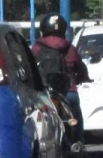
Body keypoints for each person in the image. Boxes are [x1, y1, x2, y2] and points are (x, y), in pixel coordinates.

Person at [31, 13, 91, 144]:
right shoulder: (70, 48)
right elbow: (80, 68)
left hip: (43, 94)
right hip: (68, 92)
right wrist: (84, 78)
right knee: (76, 117)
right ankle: (79, 143)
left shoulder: (36, 48)